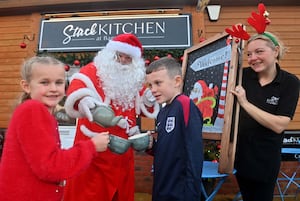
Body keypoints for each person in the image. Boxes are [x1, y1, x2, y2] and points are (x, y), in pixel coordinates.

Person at [63, 33, 159, 201]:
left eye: (127, 58)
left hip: (122, 153)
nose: (122, 60)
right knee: (88, 194)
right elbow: (76, 88)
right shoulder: (93, 71)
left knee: (119, 194)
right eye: (118, 55)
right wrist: (83, 99)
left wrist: (150, 100)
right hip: (94, 150)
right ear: (109, 55)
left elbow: (144, 108)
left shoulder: (134, 80)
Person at [0, 56, 110, 201]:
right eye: (44, 82)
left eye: (59, 82)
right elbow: (50, 167)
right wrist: (92, 146)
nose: (53, 89)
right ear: (26, 86)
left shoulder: (36, 111)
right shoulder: (33, 110)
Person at [232, 32, 300, 201]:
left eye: (259, 52)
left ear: (275, 51)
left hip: (266, 160)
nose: (253, 58)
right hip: (241, 156)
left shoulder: (289, 82)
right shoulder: (242, 76)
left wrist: (245, 103)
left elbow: (279, 125)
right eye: (249, 54)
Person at [145, 57, 204, 201]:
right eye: (150, 85)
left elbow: (194, 153)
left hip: (180, 192)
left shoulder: (185, 105)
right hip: (162, 187)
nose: (153, 90)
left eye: (158, 83)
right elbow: (168, 148)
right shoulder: (163, 112)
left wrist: (192, 194)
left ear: (177, 81)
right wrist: (151, 145)